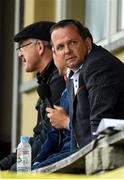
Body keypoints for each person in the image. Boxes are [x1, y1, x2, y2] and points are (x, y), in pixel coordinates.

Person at [0, 21, 65, 170]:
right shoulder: (47, 80)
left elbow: (49, 137)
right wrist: (4, 165)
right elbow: (37, 137)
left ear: (40, 47)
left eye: (21, 47)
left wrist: (14, 170)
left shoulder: (59, 80)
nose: (19, 54)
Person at [50, 19, 124, 150]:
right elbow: (76, 129)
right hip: (86, 151)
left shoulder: (99, 65)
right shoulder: (73, 71)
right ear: (54, 52)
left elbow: (100, 122)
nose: (67, 51)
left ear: (88, 42)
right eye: (60, 47)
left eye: (72, 42)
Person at [31, 53, 73, 170]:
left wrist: (66, 122)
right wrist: (37, 160)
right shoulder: (65, 92)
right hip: (61, 152)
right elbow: (53, 133)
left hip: (75, 151)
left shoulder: (81, 87)